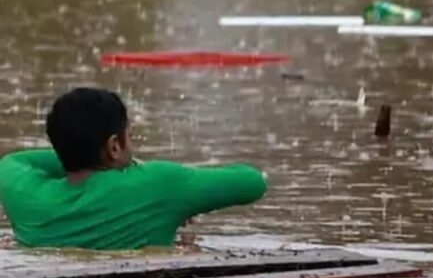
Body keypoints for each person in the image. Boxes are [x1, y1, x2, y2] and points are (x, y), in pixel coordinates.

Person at [0, 87, 267, 250]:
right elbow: (252, 182)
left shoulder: (24, 193)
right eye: (131, 135)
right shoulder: (158, 184)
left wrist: (74, 153)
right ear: (114, 145)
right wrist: (147, 175)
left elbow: (16, 161)